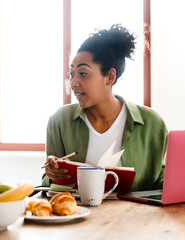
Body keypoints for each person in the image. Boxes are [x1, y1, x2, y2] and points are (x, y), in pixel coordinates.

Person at [42, 24, 168, 191]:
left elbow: (163, 184)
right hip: (79, 214)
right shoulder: (59, 121)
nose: (73, 83)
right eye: (71, 74)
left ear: (110, 77)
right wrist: (51, 174)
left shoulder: (152, 123)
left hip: (137, 216)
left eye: (83, 73)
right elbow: (48, 185)